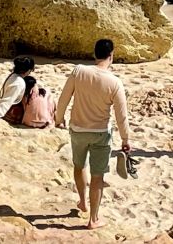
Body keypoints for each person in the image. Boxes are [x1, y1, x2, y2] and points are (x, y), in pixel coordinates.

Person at [55, 39, 131, 230]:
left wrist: (58, 118)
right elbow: (122, 116)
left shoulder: (79, 71)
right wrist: (125, 139)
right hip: (100, 134)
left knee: (79, 165)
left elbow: (64, 97)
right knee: (98, 177)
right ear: (111, 55)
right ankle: (93, 219)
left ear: (94, 53)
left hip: (77, 130)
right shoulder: (114, 82)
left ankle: (82, 202)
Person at [0, 55, 35, 124]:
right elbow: (8, 100)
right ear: (28, 70)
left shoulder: (13, 75)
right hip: (11, 111)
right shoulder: (19, 83)